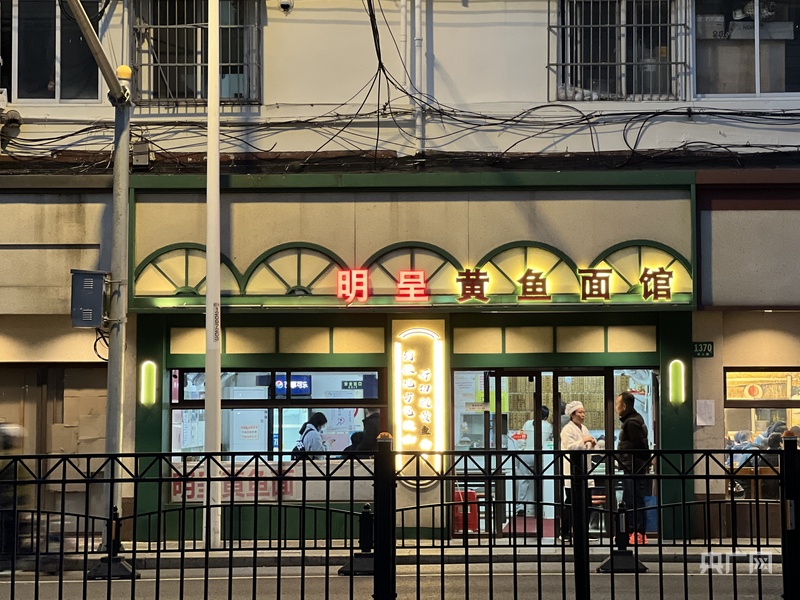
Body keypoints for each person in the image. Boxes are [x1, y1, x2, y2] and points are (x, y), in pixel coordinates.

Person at [616, 391, 651, 545]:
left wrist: (644, 462)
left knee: (634, 500)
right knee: (630, 500)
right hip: (632, 466)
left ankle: (637, 533)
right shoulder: (634, 420)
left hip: (633, 467)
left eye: (617, 405)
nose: (616, 408)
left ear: (624, 406)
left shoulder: (631, 423)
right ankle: (631, 532)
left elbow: (641, 446)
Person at [559, 401, 597, 543]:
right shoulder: (567, 430)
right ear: (572, 414)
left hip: (585, 471)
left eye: (583, 412)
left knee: (587, 503)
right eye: (580, 412)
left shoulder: (584, 429)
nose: (583, 415)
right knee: (571, 503)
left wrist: (592, 444)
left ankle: (584, 531)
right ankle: (565, 532)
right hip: (572, 472)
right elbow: (570, 447)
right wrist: (584, 440)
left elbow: (588, 449)